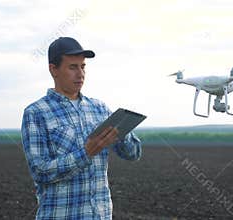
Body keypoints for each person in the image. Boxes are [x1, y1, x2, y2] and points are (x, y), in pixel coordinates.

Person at [21, 37, 142, 219]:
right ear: (53, 69)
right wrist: (85, 153)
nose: (80, 74)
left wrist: (121, 132)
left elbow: (133, 154)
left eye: (83, 67)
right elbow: (40, 171)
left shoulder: (99, 108)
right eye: (72, 67)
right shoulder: (36, 113)